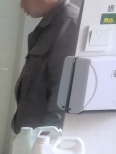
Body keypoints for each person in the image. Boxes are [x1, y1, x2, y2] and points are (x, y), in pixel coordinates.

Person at [12, 0, 80, 134]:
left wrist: (48, 133)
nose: (22, 5)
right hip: (35, 131)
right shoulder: (55, 22)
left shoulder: (69, 22)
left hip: (45, 134)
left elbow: (65, 86)